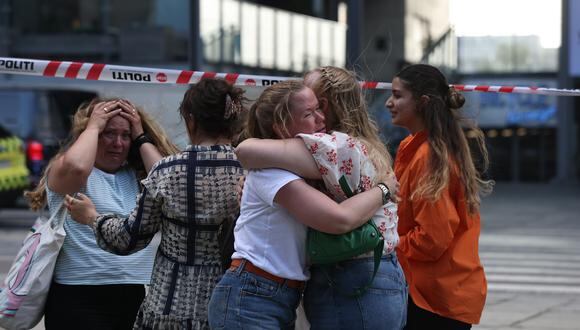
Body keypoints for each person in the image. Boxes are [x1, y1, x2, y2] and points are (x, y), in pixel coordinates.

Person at [207, 80, 392, 329]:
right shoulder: (271, 172)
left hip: (271, 294)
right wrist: (385, 189)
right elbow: (339, 219)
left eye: (319, 108)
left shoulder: (292, 167)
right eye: (308, 113)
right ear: (281, 127)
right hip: (253, 295)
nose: (320, 118)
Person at [64, 78, 247, 329]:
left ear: (190, 120)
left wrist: (92, 218)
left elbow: (127, 239)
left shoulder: (168, 171)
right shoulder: (251, 171)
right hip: (232, 305)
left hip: (169, 306)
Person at [24, 98, 177, 329]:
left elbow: (172, 187)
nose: (118, 143)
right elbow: (77, 166)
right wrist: (94, 125)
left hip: (134, 295)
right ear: (90, 134)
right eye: (108, 133)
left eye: (125, 135)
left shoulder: (136, 175)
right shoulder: (68, 170)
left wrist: (140, 135)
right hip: (78, 297)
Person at [385, 64, 494, 329]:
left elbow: (432, 238)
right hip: (437, 290)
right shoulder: (419, 145)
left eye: (398, 95)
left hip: (435, 297)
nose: (389, 102)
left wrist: (387, 244)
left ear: (422, 102)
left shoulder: (429, 155)